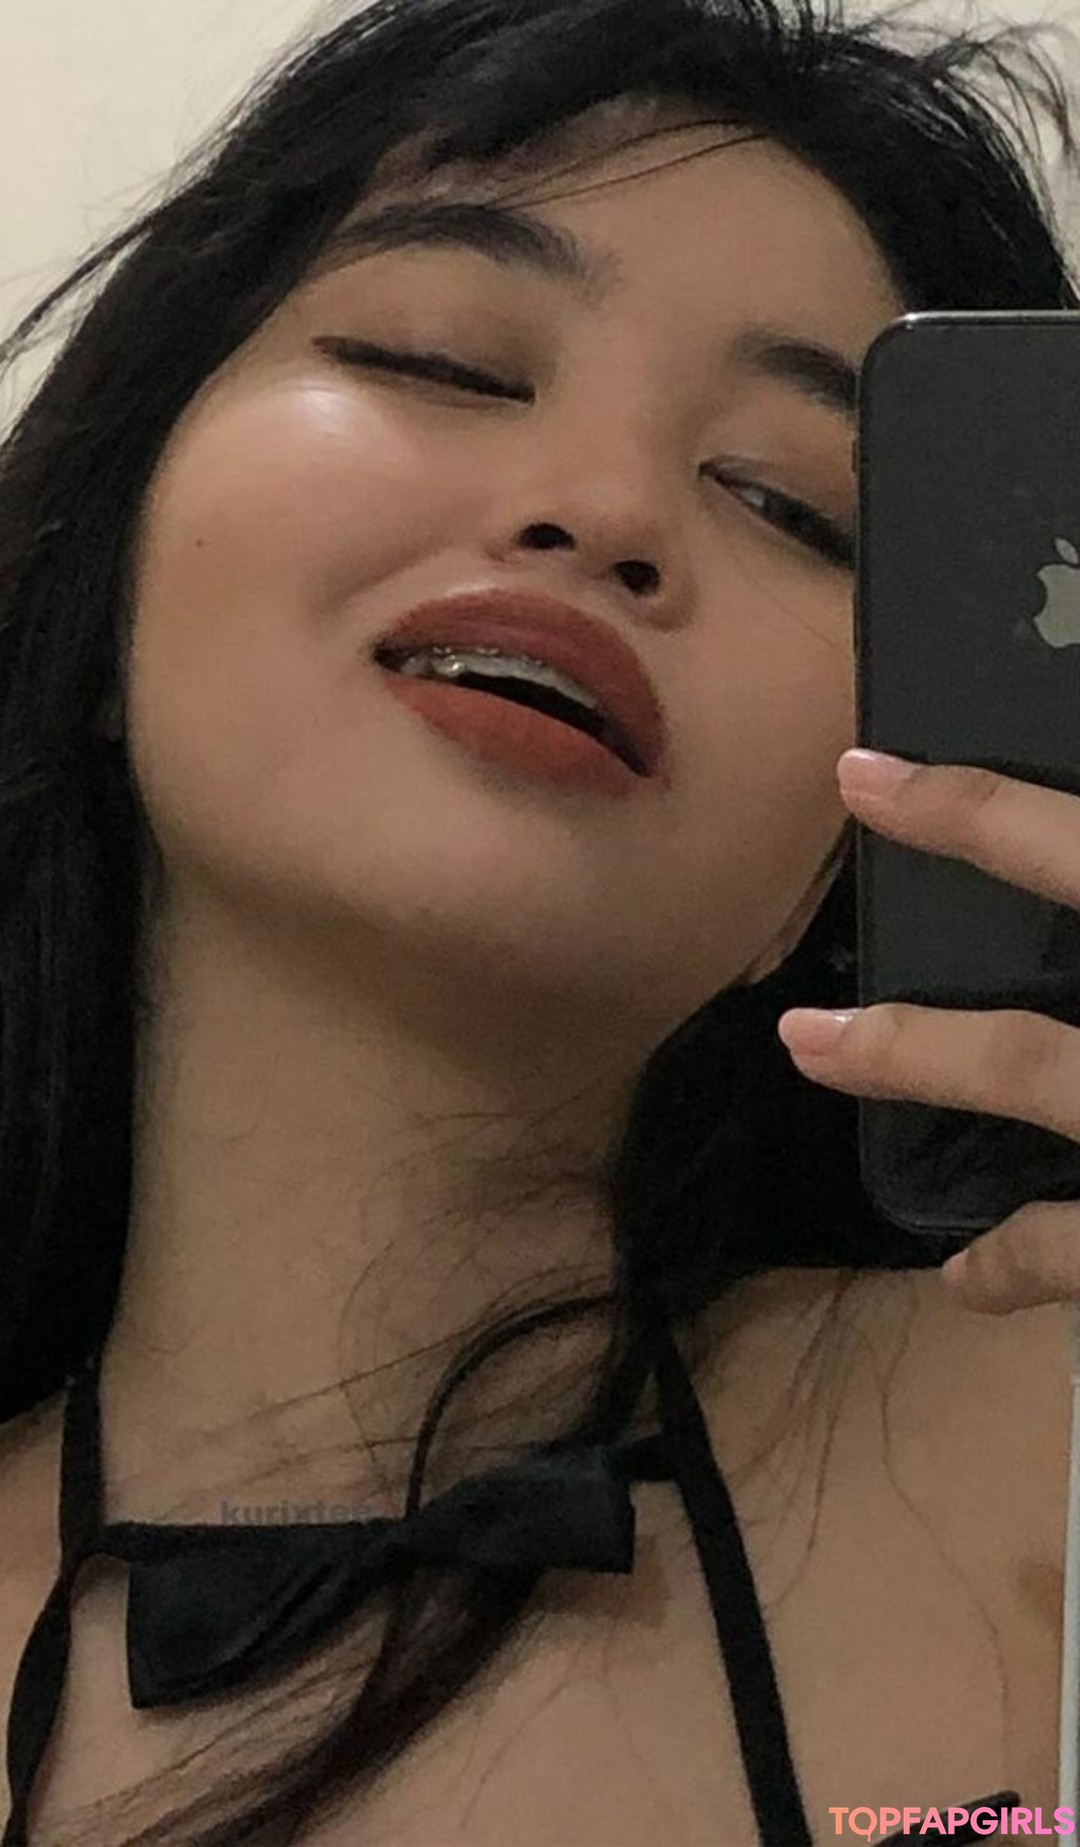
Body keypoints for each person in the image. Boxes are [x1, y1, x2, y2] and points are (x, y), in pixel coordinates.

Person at [0, 0, 1078, 1839]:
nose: (604, 510)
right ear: (105, 601)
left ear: (851, 864)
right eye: (441, 360)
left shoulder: (1046, 1434)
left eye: (786, 503)